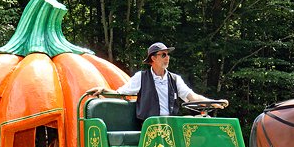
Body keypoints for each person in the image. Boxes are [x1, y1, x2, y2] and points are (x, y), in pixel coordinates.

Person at [91, 42, 227, 120]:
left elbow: (192, 97)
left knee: (201, 120)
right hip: (151, 124)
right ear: (153, 59)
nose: (167, 57)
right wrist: (103, 91)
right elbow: (120, 94)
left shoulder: (174, 79)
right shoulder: (141, 77)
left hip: (171, 123)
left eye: (167, 54)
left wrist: (212, 103)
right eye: (163, 55)